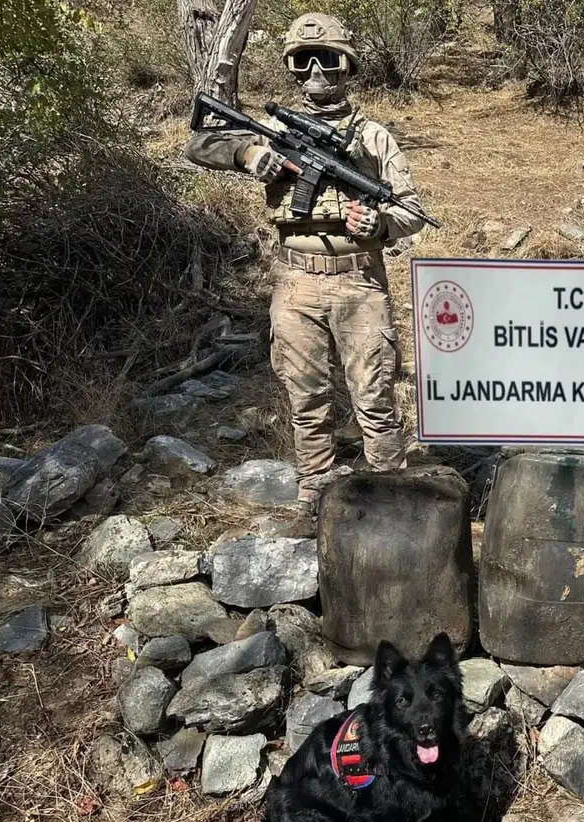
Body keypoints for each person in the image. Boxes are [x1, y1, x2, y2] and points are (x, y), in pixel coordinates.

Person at [184, 13, 427, 504]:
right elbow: (199, 142)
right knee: (307, 399)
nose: (316, 70)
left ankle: (390, 501)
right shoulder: (274, 130)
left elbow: (412, 210)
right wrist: (249, 156)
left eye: (328, 59)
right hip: (295, 282)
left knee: (375, 399)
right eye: (303, 60)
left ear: (347, 65)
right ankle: (314, 497)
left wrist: (379, 224)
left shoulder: (373, 137)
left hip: (359, 281)